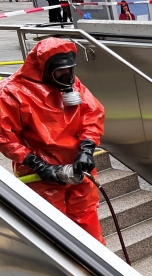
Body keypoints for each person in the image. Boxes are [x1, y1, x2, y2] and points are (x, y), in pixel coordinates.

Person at [0, 38, 106, 244]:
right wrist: (37, 164)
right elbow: (4, 137)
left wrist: (86, 148)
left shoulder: (72, 84)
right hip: (41, 176)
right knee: (54, 232)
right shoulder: (12, 92)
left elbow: (92, 114)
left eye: (70, 70)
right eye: (60, 72)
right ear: (45, 69)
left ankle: (97, 270)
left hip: (77, 170)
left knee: (88, 225)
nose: (66, 77)